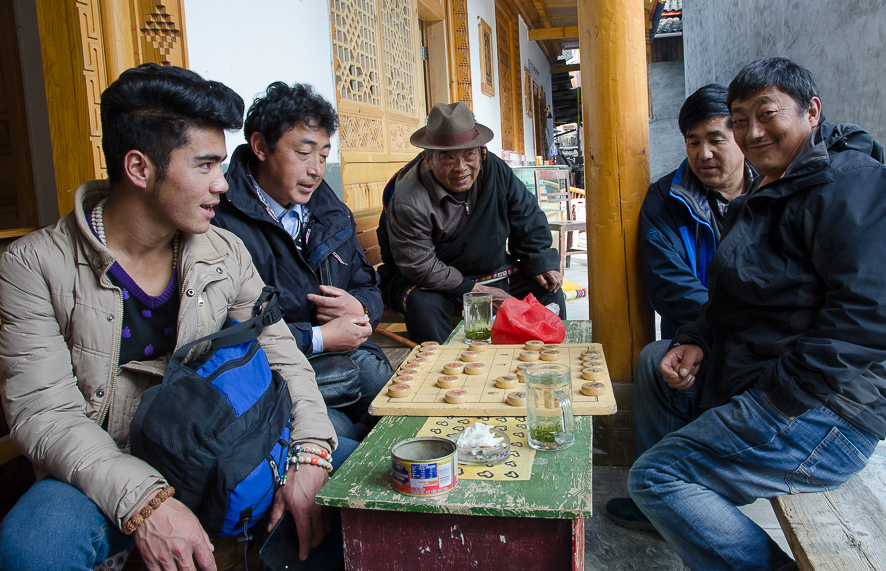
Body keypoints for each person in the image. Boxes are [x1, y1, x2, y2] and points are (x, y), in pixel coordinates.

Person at [0, 65, 350, 571]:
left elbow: (284, 358)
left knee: (356, 473)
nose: (223, 185)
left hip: (223, 443)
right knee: (36, 542)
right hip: (107, 462)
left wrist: (312, 453)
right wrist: (149, 502)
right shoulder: (35, 265)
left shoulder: (224, 250)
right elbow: (45, 416)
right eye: (205, 166)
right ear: (140, 169)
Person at [610, 57, 886, 571]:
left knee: (654, 476)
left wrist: (778, 394)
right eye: (740, 119)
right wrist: (698, 338)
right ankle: (683, 509)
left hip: (827, 406)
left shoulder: (852, 185)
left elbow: (875, 318)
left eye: (766, 114)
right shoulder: (767, 189)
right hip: (765, 375)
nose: (752, 132)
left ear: (811, 112)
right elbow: (731, 298)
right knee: (659, 368)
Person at [212, 81, 392, 442]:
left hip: (349, 356)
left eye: (324, 156)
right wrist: (321, 337)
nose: (316, 170)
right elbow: (224, 332)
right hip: (275, 373)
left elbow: (367, 283)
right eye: (304, 153)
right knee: (343, 442)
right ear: (261, 146)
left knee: (399, 407)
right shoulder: (221, 220)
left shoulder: (330, 210)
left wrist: (361, 308)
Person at [377, 101, 565, 344]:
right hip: (430, 280)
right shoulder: (409, 197)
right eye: (448, 158)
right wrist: (474, 291)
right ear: (427, 158)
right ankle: (446, 373)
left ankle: (542, 362)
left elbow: (525, 213)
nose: (461, 168)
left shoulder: (492, 168)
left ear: (479, 150)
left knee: (547, 289)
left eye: (469, 154)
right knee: (423, 307)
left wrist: (540, 260)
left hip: (490, 270)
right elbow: (419, 264)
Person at [639, 84, 754, 339]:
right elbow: (670, 285)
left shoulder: (772, 189)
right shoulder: (665, 199)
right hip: (697, 335)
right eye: (693, 142)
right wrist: (736, 328)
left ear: (741, 135)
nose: (704, 154)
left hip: (769, 338)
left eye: (716, 140)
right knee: (651, 360)